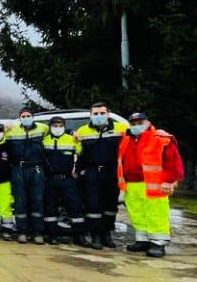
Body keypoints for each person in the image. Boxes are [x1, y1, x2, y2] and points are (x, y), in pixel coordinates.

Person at [117, 112, 183, 258]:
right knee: (137, 214)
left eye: (140, 123)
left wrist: (169, 180)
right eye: (133, 124)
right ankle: (142, 240)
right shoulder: (126, 139)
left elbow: (173, 161)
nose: (136, 126)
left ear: (148, 123)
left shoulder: (161, 138)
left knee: (156, 214)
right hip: (131, 184)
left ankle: (158, 243)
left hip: (154, 184)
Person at [74, 102, 128, 249]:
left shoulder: (121, 129)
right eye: (95, 114)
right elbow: (79, 153)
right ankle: (95, 236)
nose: (99, 116)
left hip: (112, 172)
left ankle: (107, 234)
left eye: (102, 113)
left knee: (110, 206)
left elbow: (134, 143)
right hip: (91, 172)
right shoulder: (83, 131)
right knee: (93, 205)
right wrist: (78, 171)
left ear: (108, 114)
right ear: (90, 115)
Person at [5, 108, 48, 244]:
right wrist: (4, 129)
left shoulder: (43, 128)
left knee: (37, 200)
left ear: (33, 117)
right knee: (20, 201)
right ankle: (22, 231)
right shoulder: (12, 130)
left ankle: (37, 233)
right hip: (18, 168)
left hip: (36, 168)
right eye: (23, 116)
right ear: (19, 118)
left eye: (28, 115)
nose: (26, 118)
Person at [42, 116, 87, 246]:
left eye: (60, 125)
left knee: (75, 207)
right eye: (55, 126)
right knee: (50, 209)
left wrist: (77, 172)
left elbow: (81, 154)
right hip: (50, 179)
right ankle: (52, 236)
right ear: (50, 127)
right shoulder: (44, 141)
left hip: (68, 179)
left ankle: (79, 236)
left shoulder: (71, 139)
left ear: (64, 126)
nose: (57, 128)